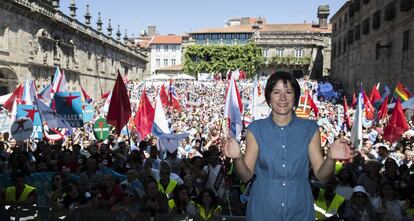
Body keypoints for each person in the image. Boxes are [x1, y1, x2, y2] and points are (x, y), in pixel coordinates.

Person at [223, 72, 353, 221]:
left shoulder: (310, 128)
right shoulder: (255, 129)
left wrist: (330, 158)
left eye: (288, 92)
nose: (283, 98)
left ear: (295, 97)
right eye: (276, 92)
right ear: (268, 97)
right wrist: (238, 158)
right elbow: (246, 175)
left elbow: (321, 175)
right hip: (264, 209)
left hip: (299, 208)